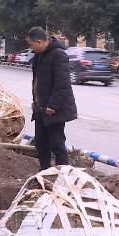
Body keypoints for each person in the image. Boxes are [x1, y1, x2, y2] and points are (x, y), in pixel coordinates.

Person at [27, 27, 77, 170]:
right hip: (40, 107)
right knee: (41, 142)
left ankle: (63, 175)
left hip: (54, 109)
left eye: (31, 44)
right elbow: (37, 81)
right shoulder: (38, 55)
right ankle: (45, 172)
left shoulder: (58, 55)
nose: (30, 48)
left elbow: (62, 83)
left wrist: (53, 105)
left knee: (57, 144)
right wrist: (35, 101)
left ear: (40, 41)